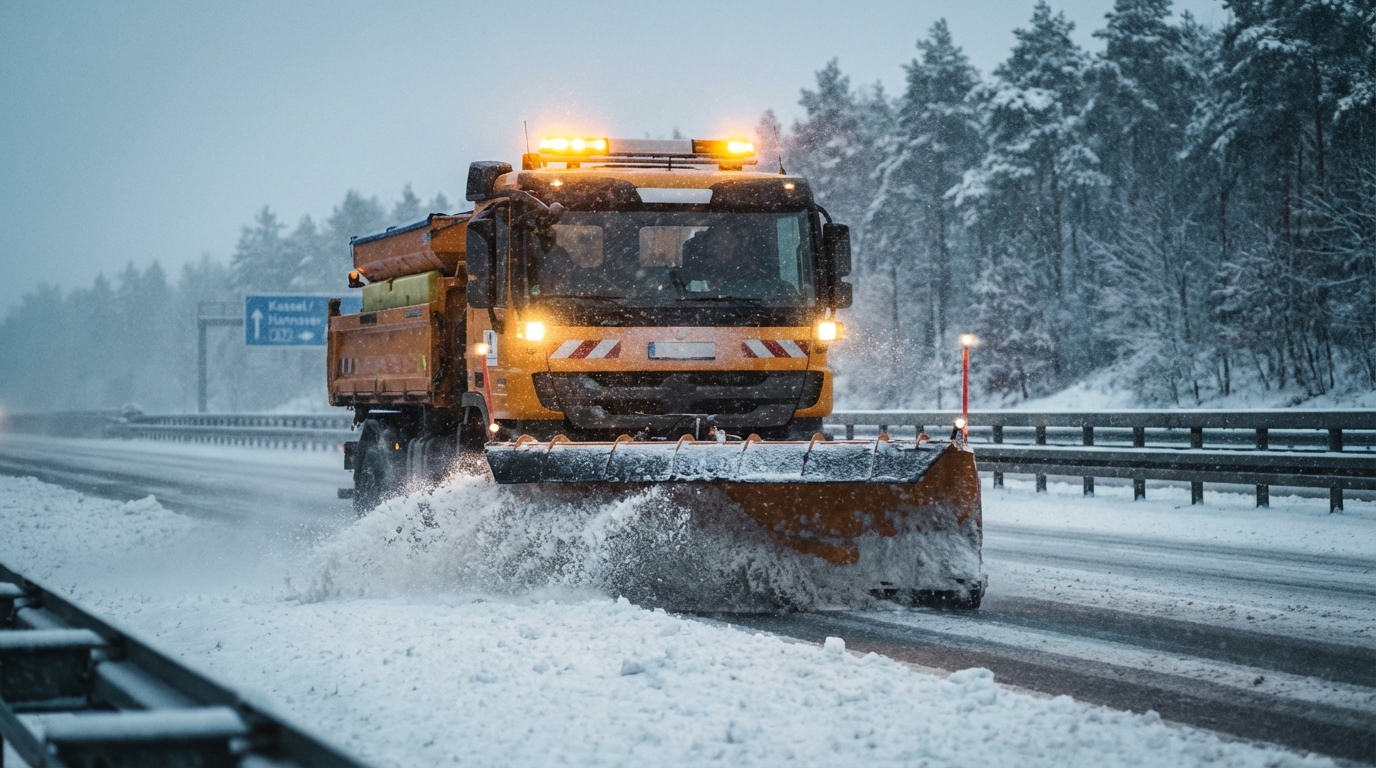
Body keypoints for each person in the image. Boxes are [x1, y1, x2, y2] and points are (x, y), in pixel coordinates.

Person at [681, 224, 795, 301]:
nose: (710, 253)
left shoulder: (775, 289)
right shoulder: (782, 288)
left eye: (716, 244)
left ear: (741, 246)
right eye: (709, 247)